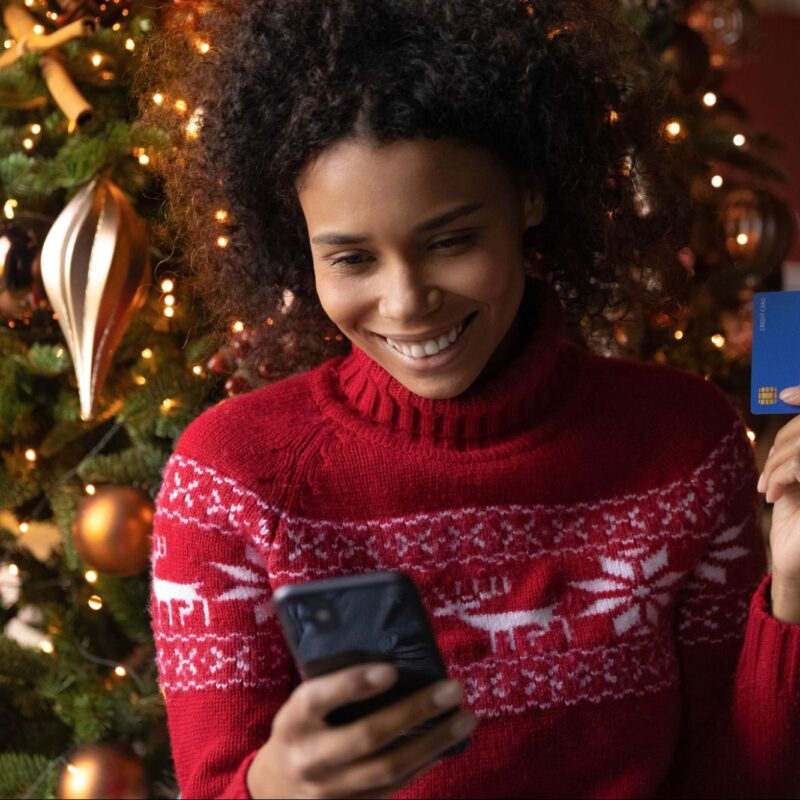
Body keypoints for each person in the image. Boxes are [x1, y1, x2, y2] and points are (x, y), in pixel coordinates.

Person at [140, 0, 800, 797]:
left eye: (451, 241)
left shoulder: (683, 442)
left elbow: (736, 779)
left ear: (528, 197)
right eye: (351, 260)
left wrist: (792, 594)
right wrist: (278, 785)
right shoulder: (230, 481)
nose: (407, 300)